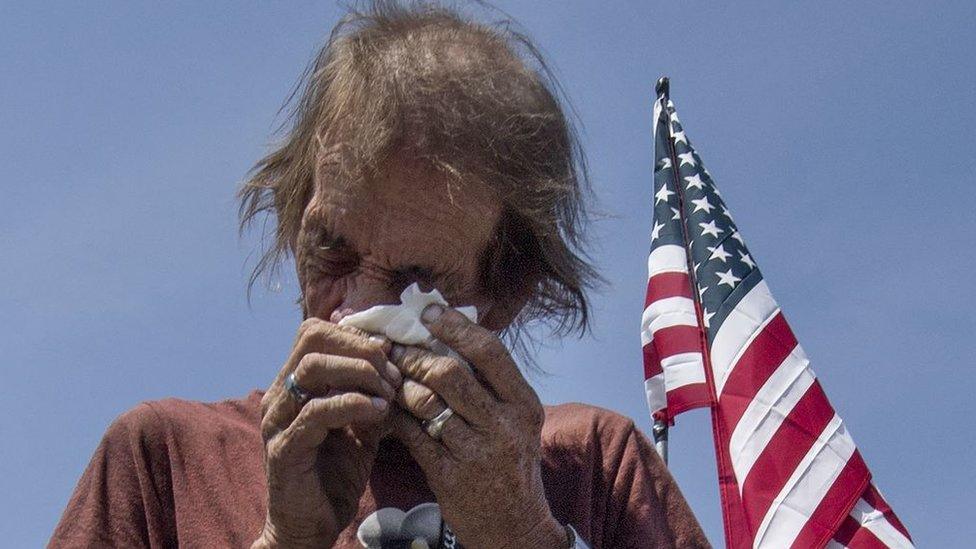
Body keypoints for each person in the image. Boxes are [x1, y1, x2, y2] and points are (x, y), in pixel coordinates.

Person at [49, 2, 709, 548]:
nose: (353, 311)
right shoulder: (165, 461)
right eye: (331, 254)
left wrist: (522, 532)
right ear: (293, 222)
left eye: (415, 280)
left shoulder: (597, 466)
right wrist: (284, 538)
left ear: (503, 294)